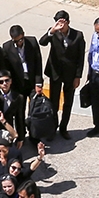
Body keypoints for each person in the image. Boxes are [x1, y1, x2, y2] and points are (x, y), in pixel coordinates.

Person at [38, 10, 85, 140]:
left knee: (68, 102)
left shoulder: (78, 35)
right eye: (57, 22)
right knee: (54, 102)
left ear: (68, 22)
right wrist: (52, 31)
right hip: (55, 73)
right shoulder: (53, 33)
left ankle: (64, 128)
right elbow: (42, 42)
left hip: (70, 74)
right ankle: (53, 128)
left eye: (63, 23)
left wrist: (78, 76)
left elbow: (80, 57)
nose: (60, 25)